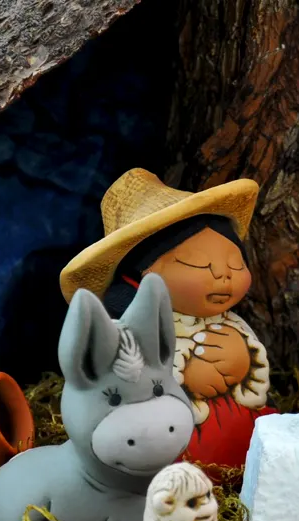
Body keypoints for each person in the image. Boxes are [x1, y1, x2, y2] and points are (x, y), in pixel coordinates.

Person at [59, 169, 274, 480]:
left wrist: (244, 360)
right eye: (200, 264)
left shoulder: (229, 321)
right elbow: (130, 377)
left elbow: (255, 371)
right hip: (178, 435)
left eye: (235, 263)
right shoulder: (135, 328)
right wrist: (183, 379)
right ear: (145, 274)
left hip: (241, 422)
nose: (224, 275)